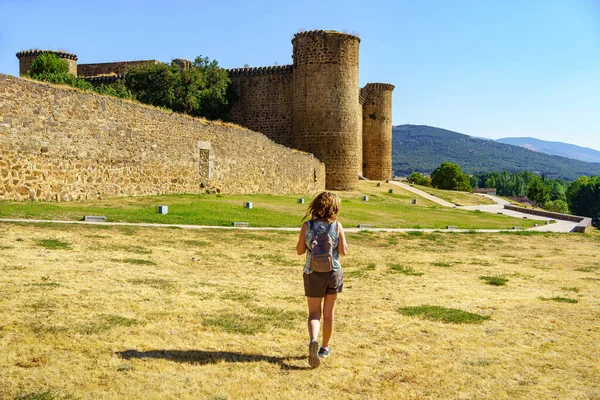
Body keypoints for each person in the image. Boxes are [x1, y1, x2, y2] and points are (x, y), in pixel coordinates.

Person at [296, 191, 349, 368]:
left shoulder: (307, 226)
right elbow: (343, 252)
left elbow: (299, 251)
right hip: (333, 273)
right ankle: (324, 347)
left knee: (314, 313)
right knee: (328, 313)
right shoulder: (337, 226)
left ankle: (313, 340)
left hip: (312, 272)